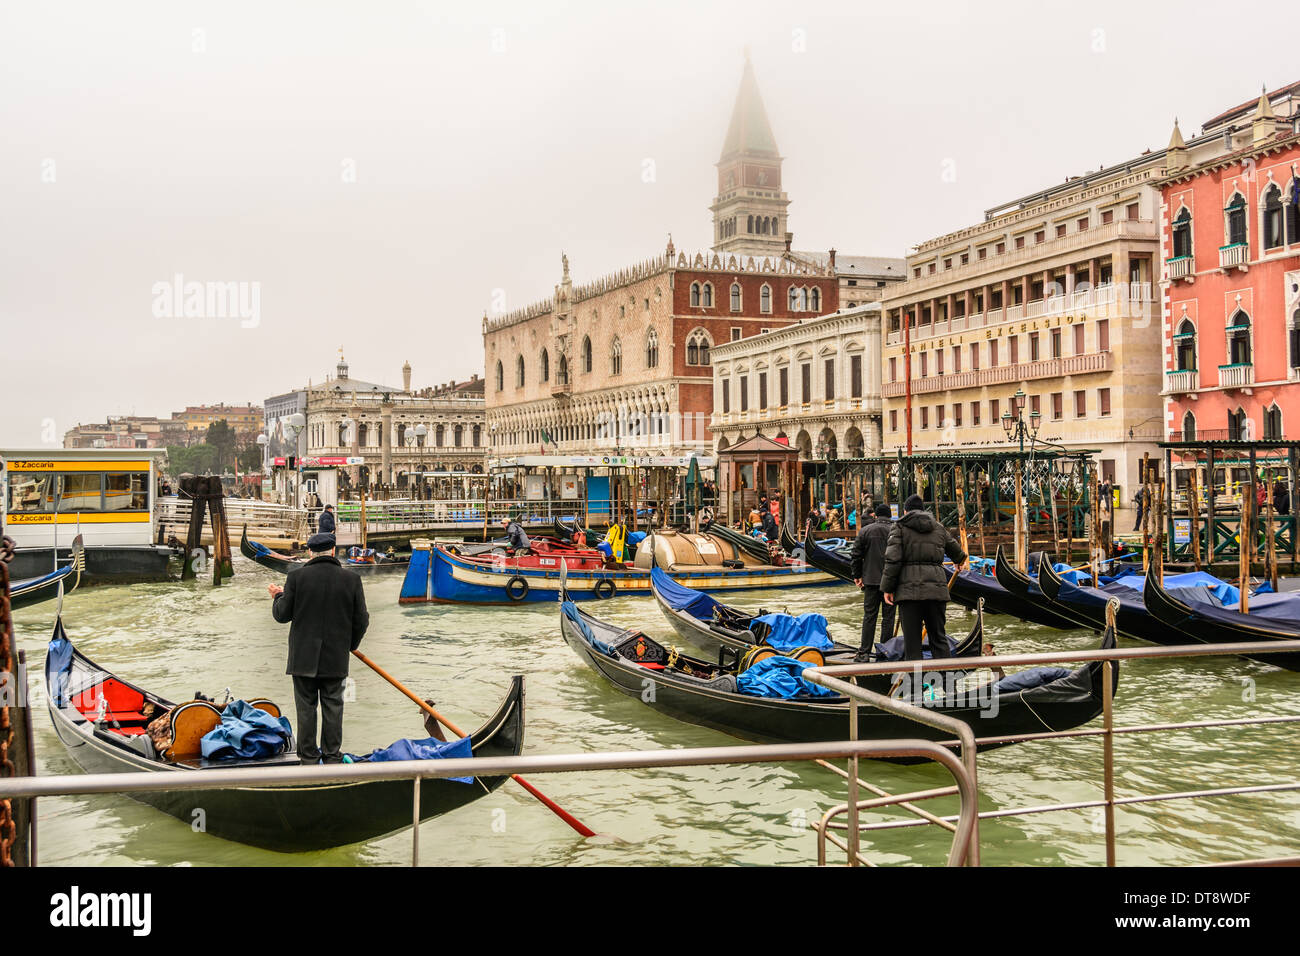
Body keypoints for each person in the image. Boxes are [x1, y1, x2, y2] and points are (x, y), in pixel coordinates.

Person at [267, 532, 369, 763]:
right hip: (336, 658)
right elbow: (362, 620)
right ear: (333, 551)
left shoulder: (296, 577)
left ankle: (309, 758)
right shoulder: (352, 579)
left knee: (306, 709)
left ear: (310, 552)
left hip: (302, 659)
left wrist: (277, 597)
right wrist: (349, 646)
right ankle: (332, 757)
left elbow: (283, 615)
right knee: (333, 708)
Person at [880, 494, 967, 664]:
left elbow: (893, 560)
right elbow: (958, 553)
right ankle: (949, 686)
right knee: (939, 639)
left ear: (905, 510)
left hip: (908, 594)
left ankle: (915, 687)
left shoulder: (899, 527)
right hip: (936, 592)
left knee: (912, 644)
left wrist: (887, 588)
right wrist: (959, 562)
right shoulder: (938, 527)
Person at [850, 503, 896, 662]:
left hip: (870, 580)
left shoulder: (865, 531)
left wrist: (857, 575)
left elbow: (855, 555)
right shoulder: (897, 531)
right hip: (891, 582)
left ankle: (864, 652)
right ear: (890, 516)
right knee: (888, 618)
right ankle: (885, 652)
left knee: (869, 616)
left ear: (875, 515)